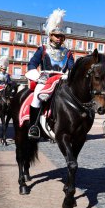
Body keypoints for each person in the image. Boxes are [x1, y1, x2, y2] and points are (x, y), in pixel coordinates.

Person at [25, 8, 74, 140]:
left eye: (61, 36)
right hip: (45, 79)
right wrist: (38, 76)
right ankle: (33, 126)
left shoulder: (68, 53)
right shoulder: (43, 49)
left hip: (62, 79)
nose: (59, 38)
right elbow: (32, 64)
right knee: (37, 96)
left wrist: (70, 75)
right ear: (50, 36)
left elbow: (71, 67)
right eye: (56, 36)